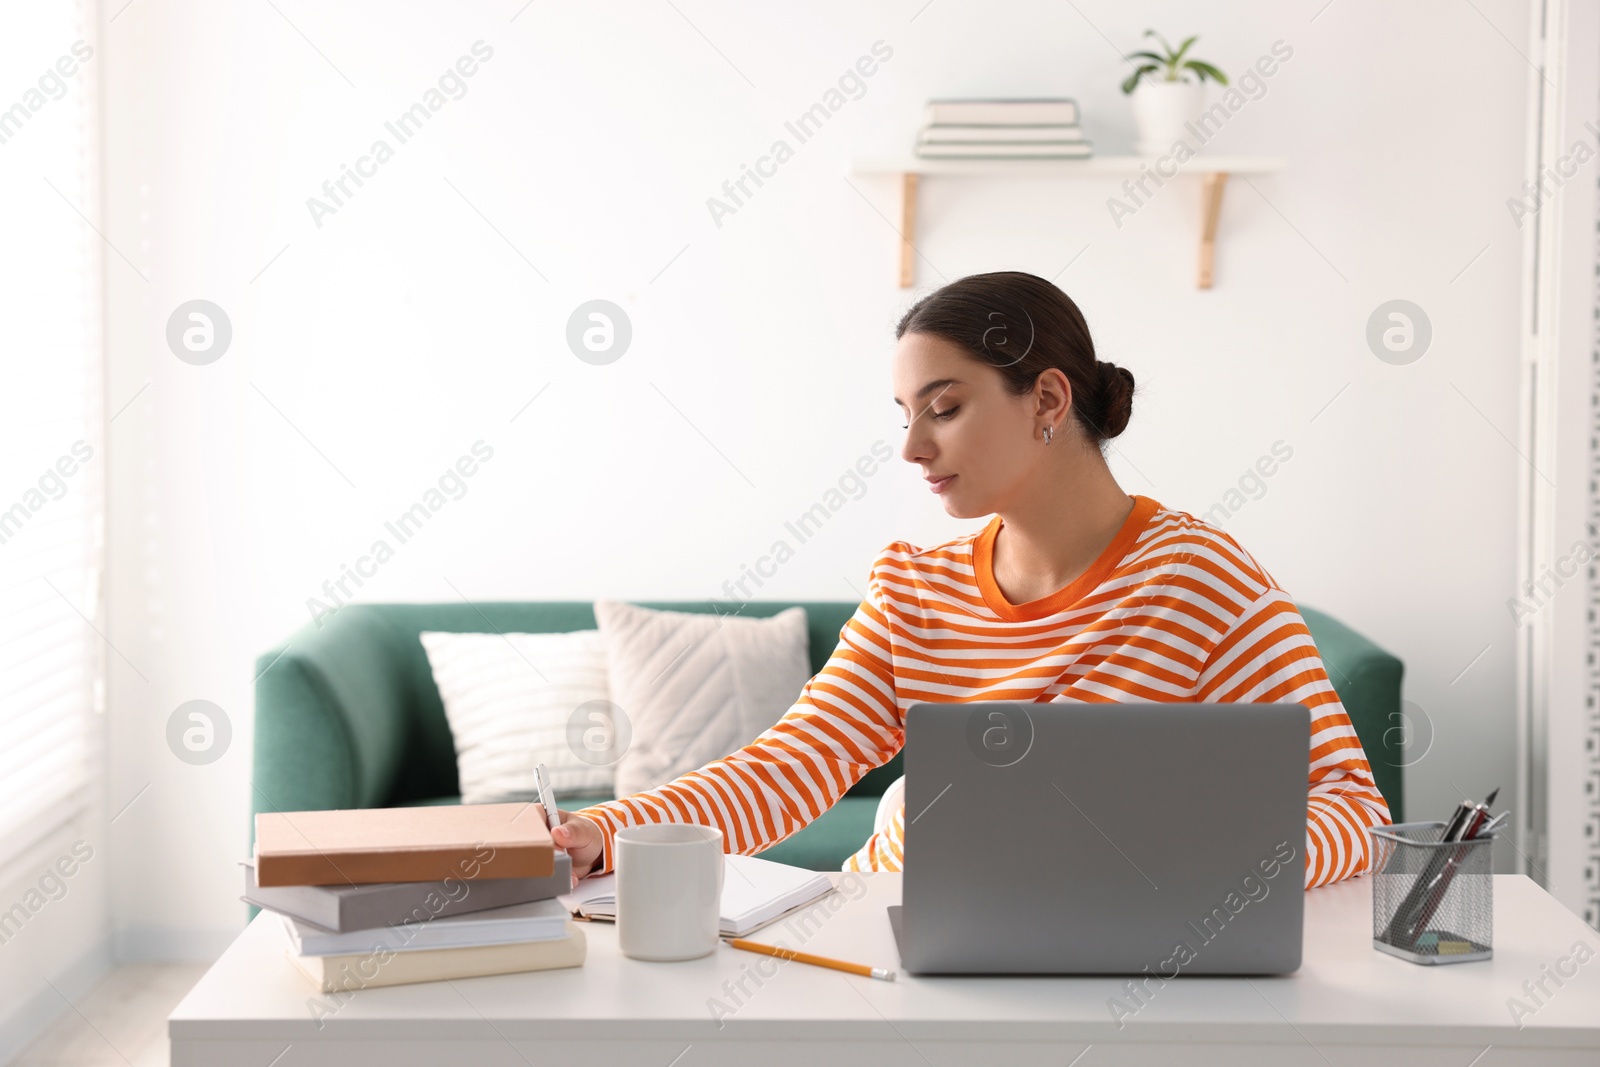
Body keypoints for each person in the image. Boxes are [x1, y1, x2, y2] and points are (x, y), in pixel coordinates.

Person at [551, 270, 1392, 890]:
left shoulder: (1201, 581)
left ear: (1047, 400)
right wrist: (607, 829)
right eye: (905, 415)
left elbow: (1353, 810)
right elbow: (791, 765)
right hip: (896, 931)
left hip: (1112, 952)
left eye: (944, 408)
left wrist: (1189, 859)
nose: (912, 447)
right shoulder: (915, 590)